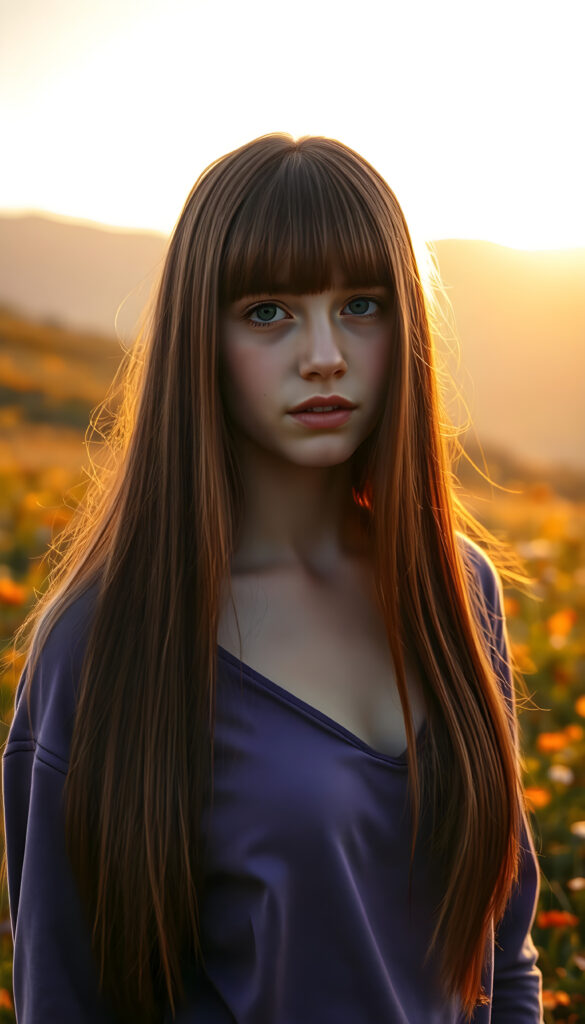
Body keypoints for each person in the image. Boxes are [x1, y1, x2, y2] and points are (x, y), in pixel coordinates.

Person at [2, 132, 543, 1023]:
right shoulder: (102, 640)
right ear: (198, 338)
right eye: (267, 312)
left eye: (361, 305)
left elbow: (502, 953)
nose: (323, 354)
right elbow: (64, 997)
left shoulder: (457, 589)